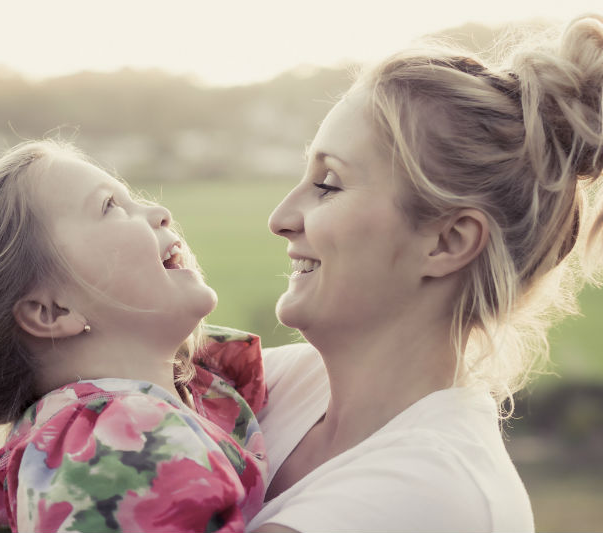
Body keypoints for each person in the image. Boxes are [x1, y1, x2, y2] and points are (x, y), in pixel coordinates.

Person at [248, 14, 603, 533]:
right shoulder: (275, 383)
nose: (279, 220)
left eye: (328, 183)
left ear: (447, 242)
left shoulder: (433, 493)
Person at [0, 140, 268, 533]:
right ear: (52, 311)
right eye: (110, 206)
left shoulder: (181, 396)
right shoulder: (119, 447)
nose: (159, 212)